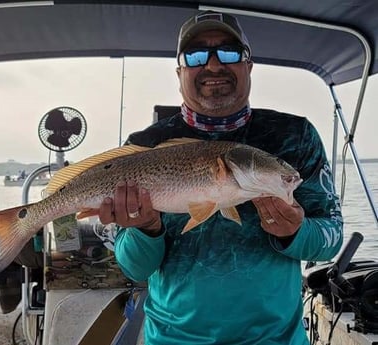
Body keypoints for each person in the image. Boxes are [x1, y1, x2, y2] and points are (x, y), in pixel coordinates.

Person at [98, 10, 343, 345]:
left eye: (228, 52)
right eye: (196, 56)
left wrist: (295, 233)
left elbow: (331, 237)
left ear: (248, 65)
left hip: (276, 340)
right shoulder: (143, 147)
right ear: (180, 71)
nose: (213, 66)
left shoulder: (295, 136)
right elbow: (134, 270)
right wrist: (146, 228)